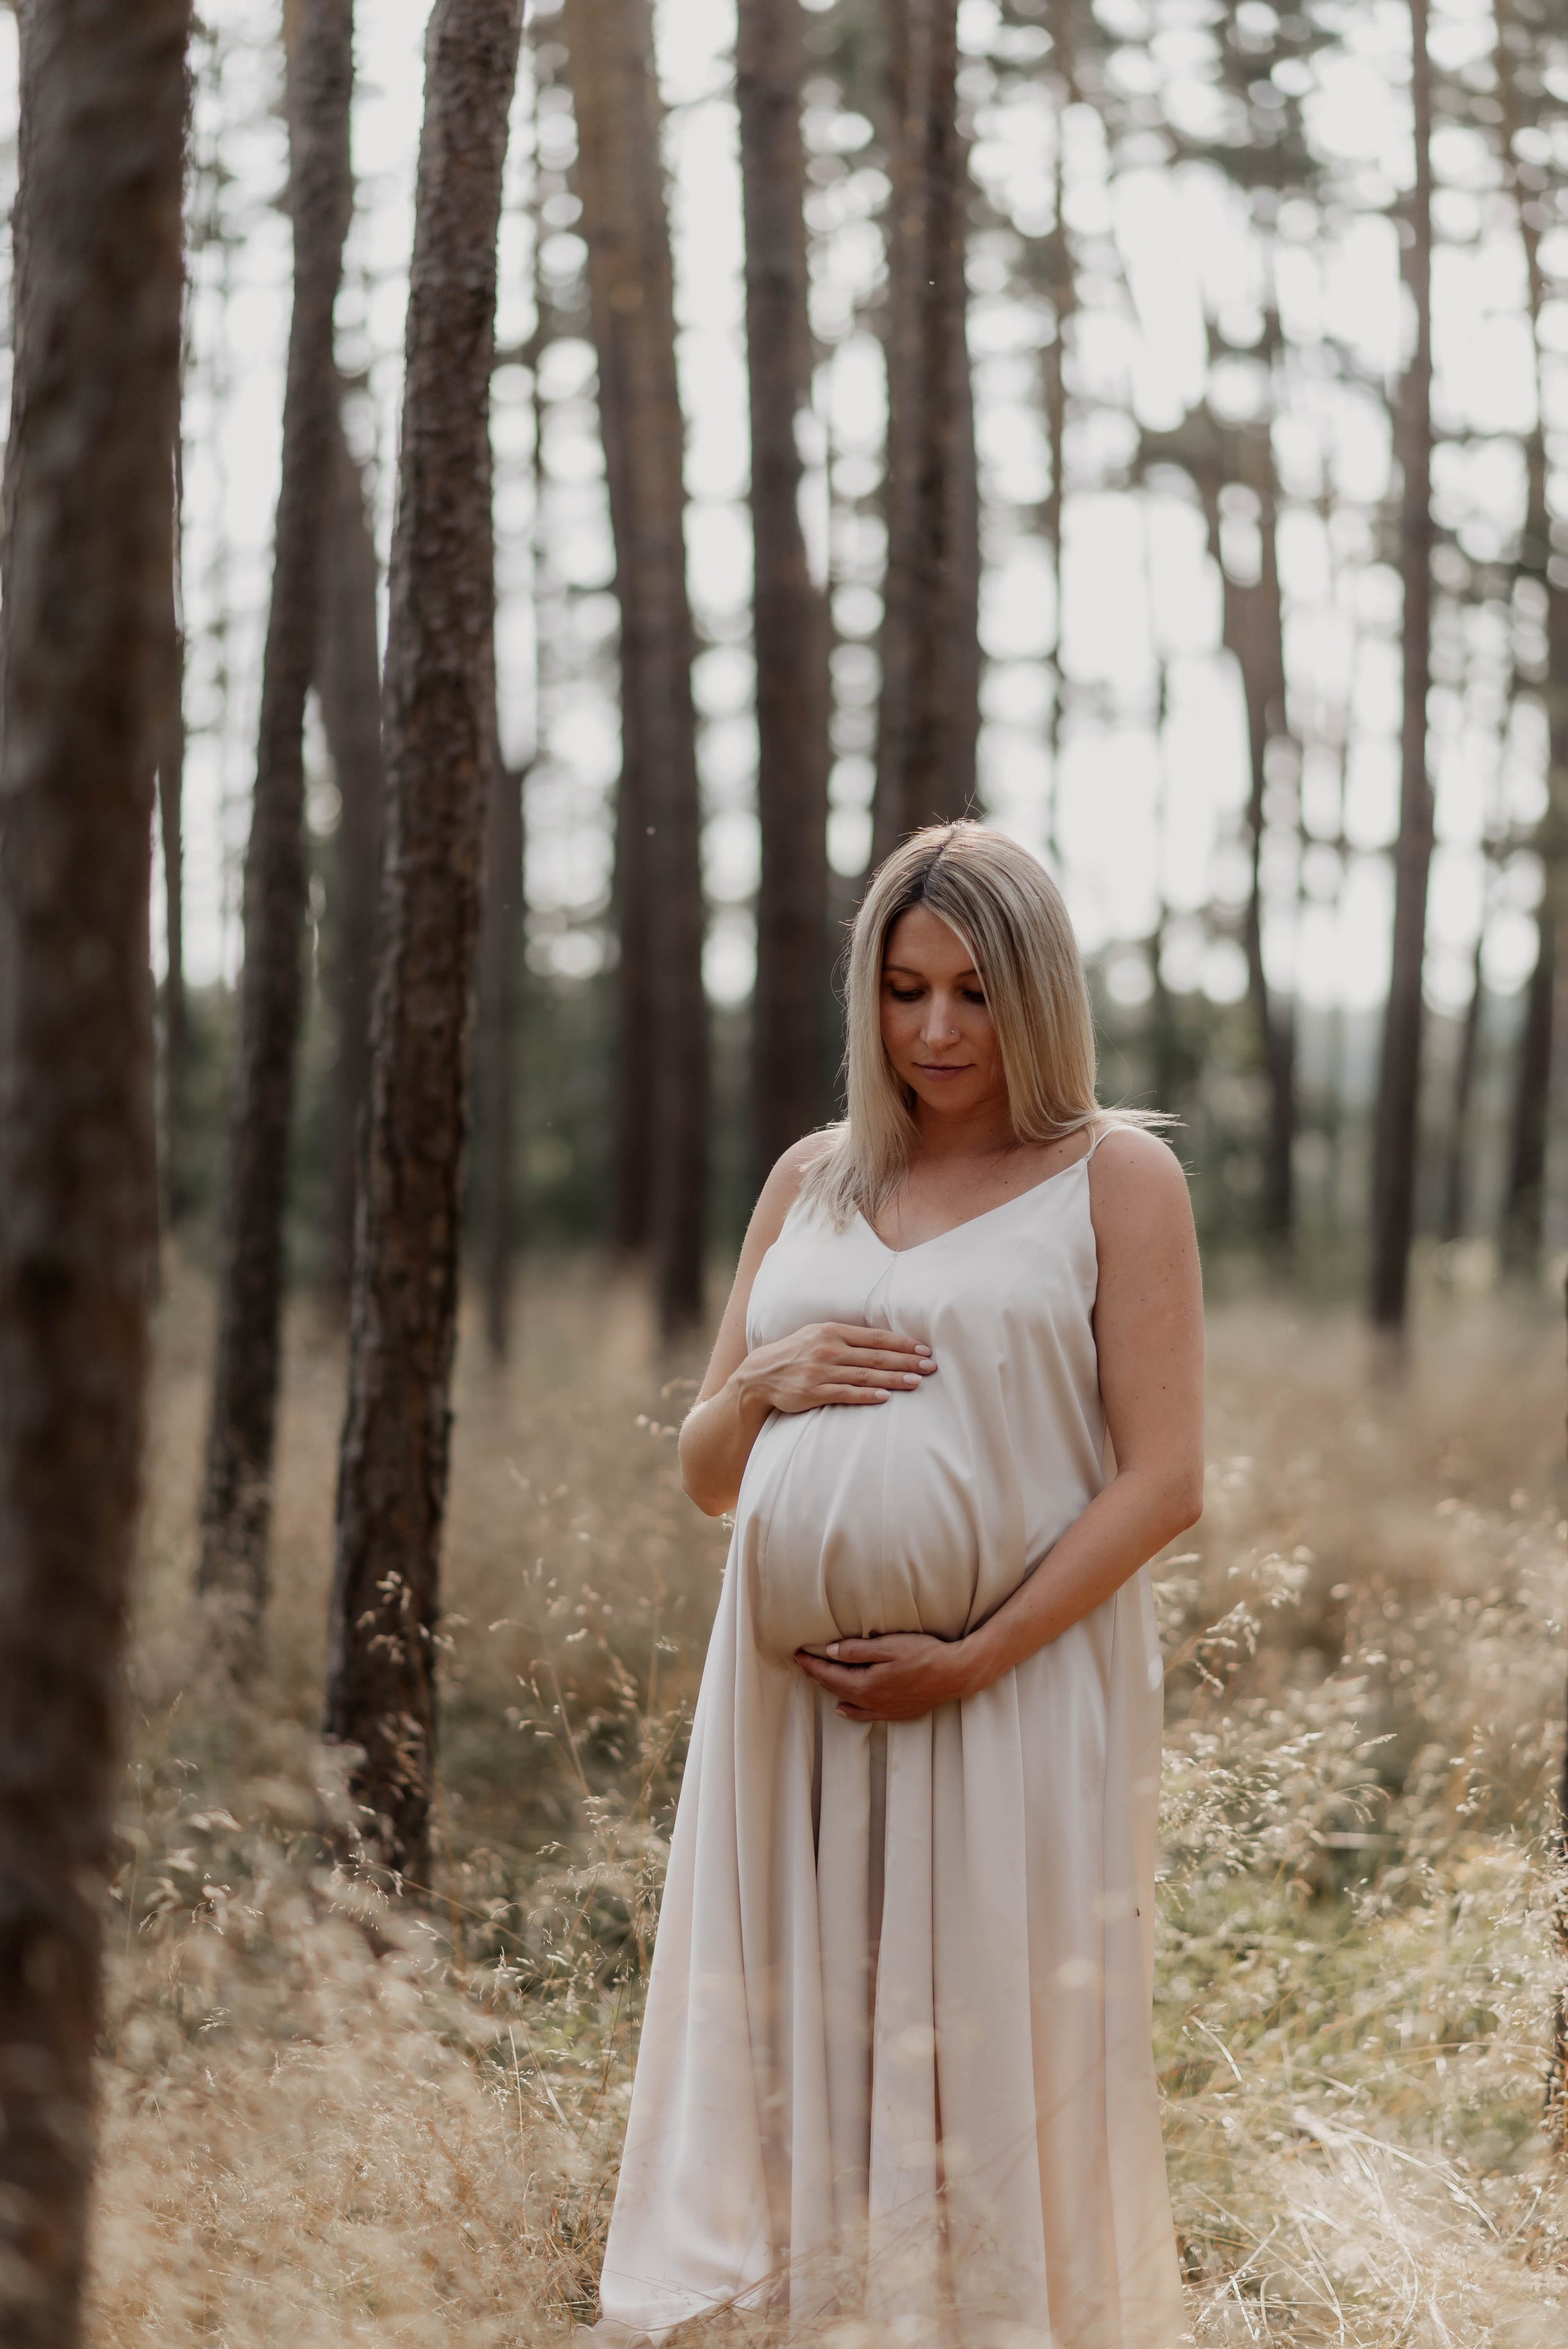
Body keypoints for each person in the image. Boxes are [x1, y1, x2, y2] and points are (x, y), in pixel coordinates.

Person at [594, 824, 1203, 2349]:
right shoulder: (812, 1175)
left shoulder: (1112, 1178)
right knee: (801, 2026)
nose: (935, 1031)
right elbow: (708, 1471)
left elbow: (1163, 1479)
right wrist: (763, 1383)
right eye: (904, 988)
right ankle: (809, 2313)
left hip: (1004, 1687)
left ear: (1037, 995)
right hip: (782, 1714)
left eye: (975, 993)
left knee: (981, 2028)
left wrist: (974, 1650)